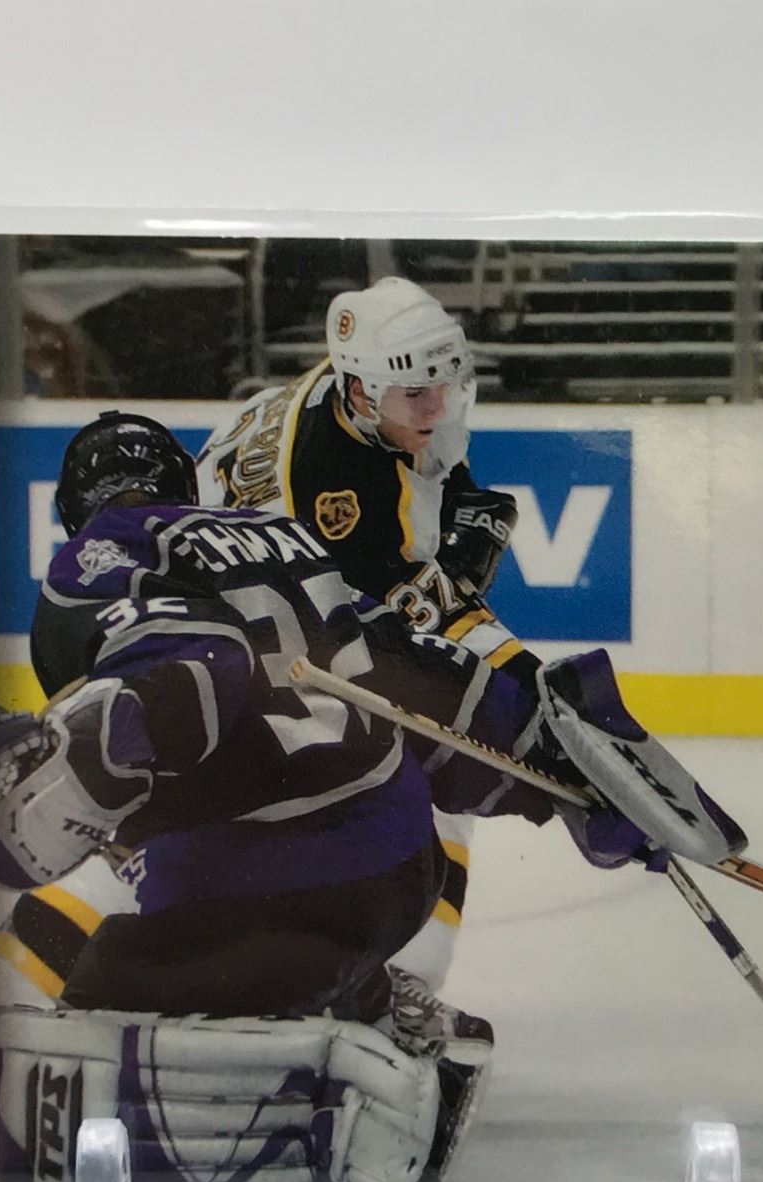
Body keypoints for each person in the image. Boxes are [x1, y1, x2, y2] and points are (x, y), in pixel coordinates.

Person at [0, 411, 742, 1182]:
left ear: (74, 509)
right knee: (272, 944)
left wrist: (119, 729)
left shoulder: (104, 552)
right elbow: (430, 685)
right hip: (394, 877)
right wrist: (575, 785)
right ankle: (375, 1004)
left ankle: (294, 1096)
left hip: (247, 887)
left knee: (110, 984)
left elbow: (194, 668)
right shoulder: (290, 541)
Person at [194, 276, 532, 990]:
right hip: (240, 656)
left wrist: (460, 519)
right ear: (361, 392)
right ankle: (398, 984)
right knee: (433, 775)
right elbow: (427, 625)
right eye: (417, 395)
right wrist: (533, 692)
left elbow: (428, 487)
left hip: (251, 624)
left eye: (445, 387)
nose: (437, 408)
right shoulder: (326, 490)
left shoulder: (363, 392)